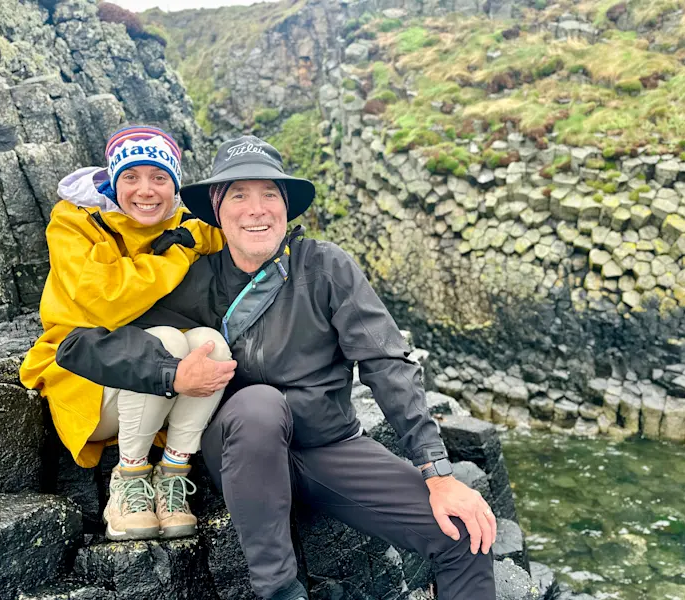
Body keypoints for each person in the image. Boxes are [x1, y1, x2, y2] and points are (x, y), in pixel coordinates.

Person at [55, 135, 497, 600]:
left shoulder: (326, 267)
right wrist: (171, 374)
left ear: (286, 207)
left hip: (330, 448)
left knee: (465, 534)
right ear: (217, 211)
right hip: (241, 448)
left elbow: (387, 362)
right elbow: (77, 344)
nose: (256, 209)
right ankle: (280, 591)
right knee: (260, 404)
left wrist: (438, 473)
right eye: (239, 195)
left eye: (269, 194)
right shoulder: (192, 279)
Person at [20, 125, 236, 542]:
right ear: (113, 180)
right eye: (131, 177)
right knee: (166, 343)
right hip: (83, 370)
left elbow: (243, 237)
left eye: (160, 178)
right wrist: (177, 254)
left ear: (174, 185)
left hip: (159, 385)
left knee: (212, 345)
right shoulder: (73, 222)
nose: (146, 191)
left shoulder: (185, 221)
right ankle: (129, 479)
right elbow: (103, 300)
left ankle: (173, 476)